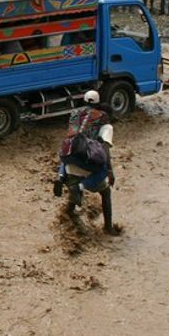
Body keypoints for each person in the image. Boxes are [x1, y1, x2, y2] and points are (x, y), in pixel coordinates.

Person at [55, 90, 119, 235]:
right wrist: (110, 172)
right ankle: (108, 228)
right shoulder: (106, 124)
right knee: (105, 191)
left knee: (69, 156)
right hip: (88, 163)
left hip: (68, 164)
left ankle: (67, 212)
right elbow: (105, 151)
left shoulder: (75, 116)